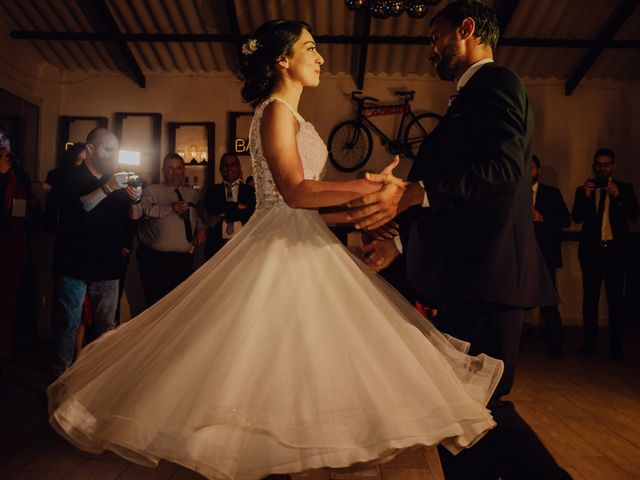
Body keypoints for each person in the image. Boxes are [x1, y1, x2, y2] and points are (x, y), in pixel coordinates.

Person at [48, 20, 504, 480]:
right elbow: (293, 191)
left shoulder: (296, 117)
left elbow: (308, 209)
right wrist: (362, 186)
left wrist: (368, 213)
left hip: (305, 244)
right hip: (275, 253)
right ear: (283, 60)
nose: (321, 57)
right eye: (311, 48)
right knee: (263, 364)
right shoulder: (274, 111)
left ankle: (290, 458)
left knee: (306, 365)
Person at [348, 2, 569, 478]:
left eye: (435, 37)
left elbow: (504, 171)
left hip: (488, 278)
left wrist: (414, 192)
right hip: (468, 277)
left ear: (466, 30)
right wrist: (399, 243)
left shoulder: (497, 83)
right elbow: (457, 199)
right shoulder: (465, 99)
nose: (431, 51)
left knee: (479, 405)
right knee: (457, 405)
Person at [50, 128, 142, 376]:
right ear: (90, 149)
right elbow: (80, 209)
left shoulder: (117, 178)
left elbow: (134, 219)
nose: (113, 155)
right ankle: (60, 379)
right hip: (73, 264)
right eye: (107, 149)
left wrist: (136, 201)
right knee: (67, 324)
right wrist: (108, 188)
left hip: (107, 265)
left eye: (115, 150)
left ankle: (99, 381)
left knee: (106, 327)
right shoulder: (69, 177)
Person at [571, 148, 638, 359]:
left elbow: (633, 215)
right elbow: (577, 218)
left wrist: (617, 196)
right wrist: (586, 196)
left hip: (616, 253)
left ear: (613, 166)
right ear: (594, 166)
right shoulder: (583, 190)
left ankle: (616, 348)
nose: (602, 168)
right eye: (599, 164)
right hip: (591, 253)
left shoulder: (625, 189)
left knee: (616, 300)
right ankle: (589, 345)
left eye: (607, 164)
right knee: (590, 299)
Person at [138, 153, 206, 307]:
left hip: (184, 260)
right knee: (156, 306)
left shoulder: (192, 193)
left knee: (180, 307)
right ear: (163, 170)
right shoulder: (151, 190)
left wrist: (201, 229)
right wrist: (171, 208)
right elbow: (145, 210)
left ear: (184, 170)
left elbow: (197, 217)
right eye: (170, 168)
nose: (175, 172)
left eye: (179, 168)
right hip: (155, 260)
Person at [531, 155, 571, 356]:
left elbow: (566, 220)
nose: (528, 172)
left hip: (545, 255)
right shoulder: (515, 193)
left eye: (531, 168)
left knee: (548, 300)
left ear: (538, 170)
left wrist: (542, 217)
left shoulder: (551, 193)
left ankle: (555, 344)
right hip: (520, 255)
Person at [0, 143, 32, 366]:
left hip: (10, 246)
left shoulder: (16, 184)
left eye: (5, 157)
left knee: (7, 300)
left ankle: (5, 350)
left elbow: (17, 218)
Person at [203, 153, 256, 259]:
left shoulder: (251, 191)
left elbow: (250, 214)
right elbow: (213, 208)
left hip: (243, 246)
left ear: (239, 167)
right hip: (216, 247)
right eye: (225, 165)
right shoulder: (212, 190)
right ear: (220, 169)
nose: (229, 168)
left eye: (233, 164)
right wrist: (238, 206)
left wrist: (223, 212)